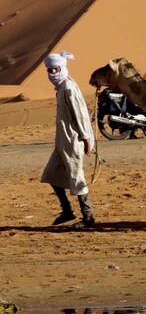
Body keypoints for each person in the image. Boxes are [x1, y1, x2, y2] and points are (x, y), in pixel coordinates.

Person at [41, 51, 96, 227]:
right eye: (49, 70)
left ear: (62, 68)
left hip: (73, 141)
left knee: (77, 177)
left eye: (55, 69)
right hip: (61, 143)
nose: (52, 73)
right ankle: (67, 211)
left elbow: (80, 116)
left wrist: (86, 138)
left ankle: (88, 217)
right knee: (50, 174)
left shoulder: (69, 89)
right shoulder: (61, 88)